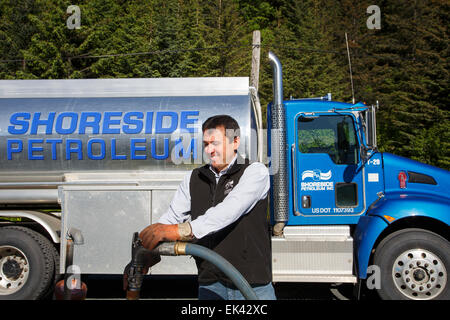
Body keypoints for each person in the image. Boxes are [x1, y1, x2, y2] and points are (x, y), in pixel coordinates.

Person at [139, 115, 275, 300]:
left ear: (235, 141)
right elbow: (171, 218)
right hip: (211, 284)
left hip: (252, 284)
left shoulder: (255, 171)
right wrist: (146, 250)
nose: (209, 150)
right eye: (206, 144)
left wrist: (182, 230)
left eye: (215, 143)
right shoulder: (194, 178)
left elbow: (230, 210)